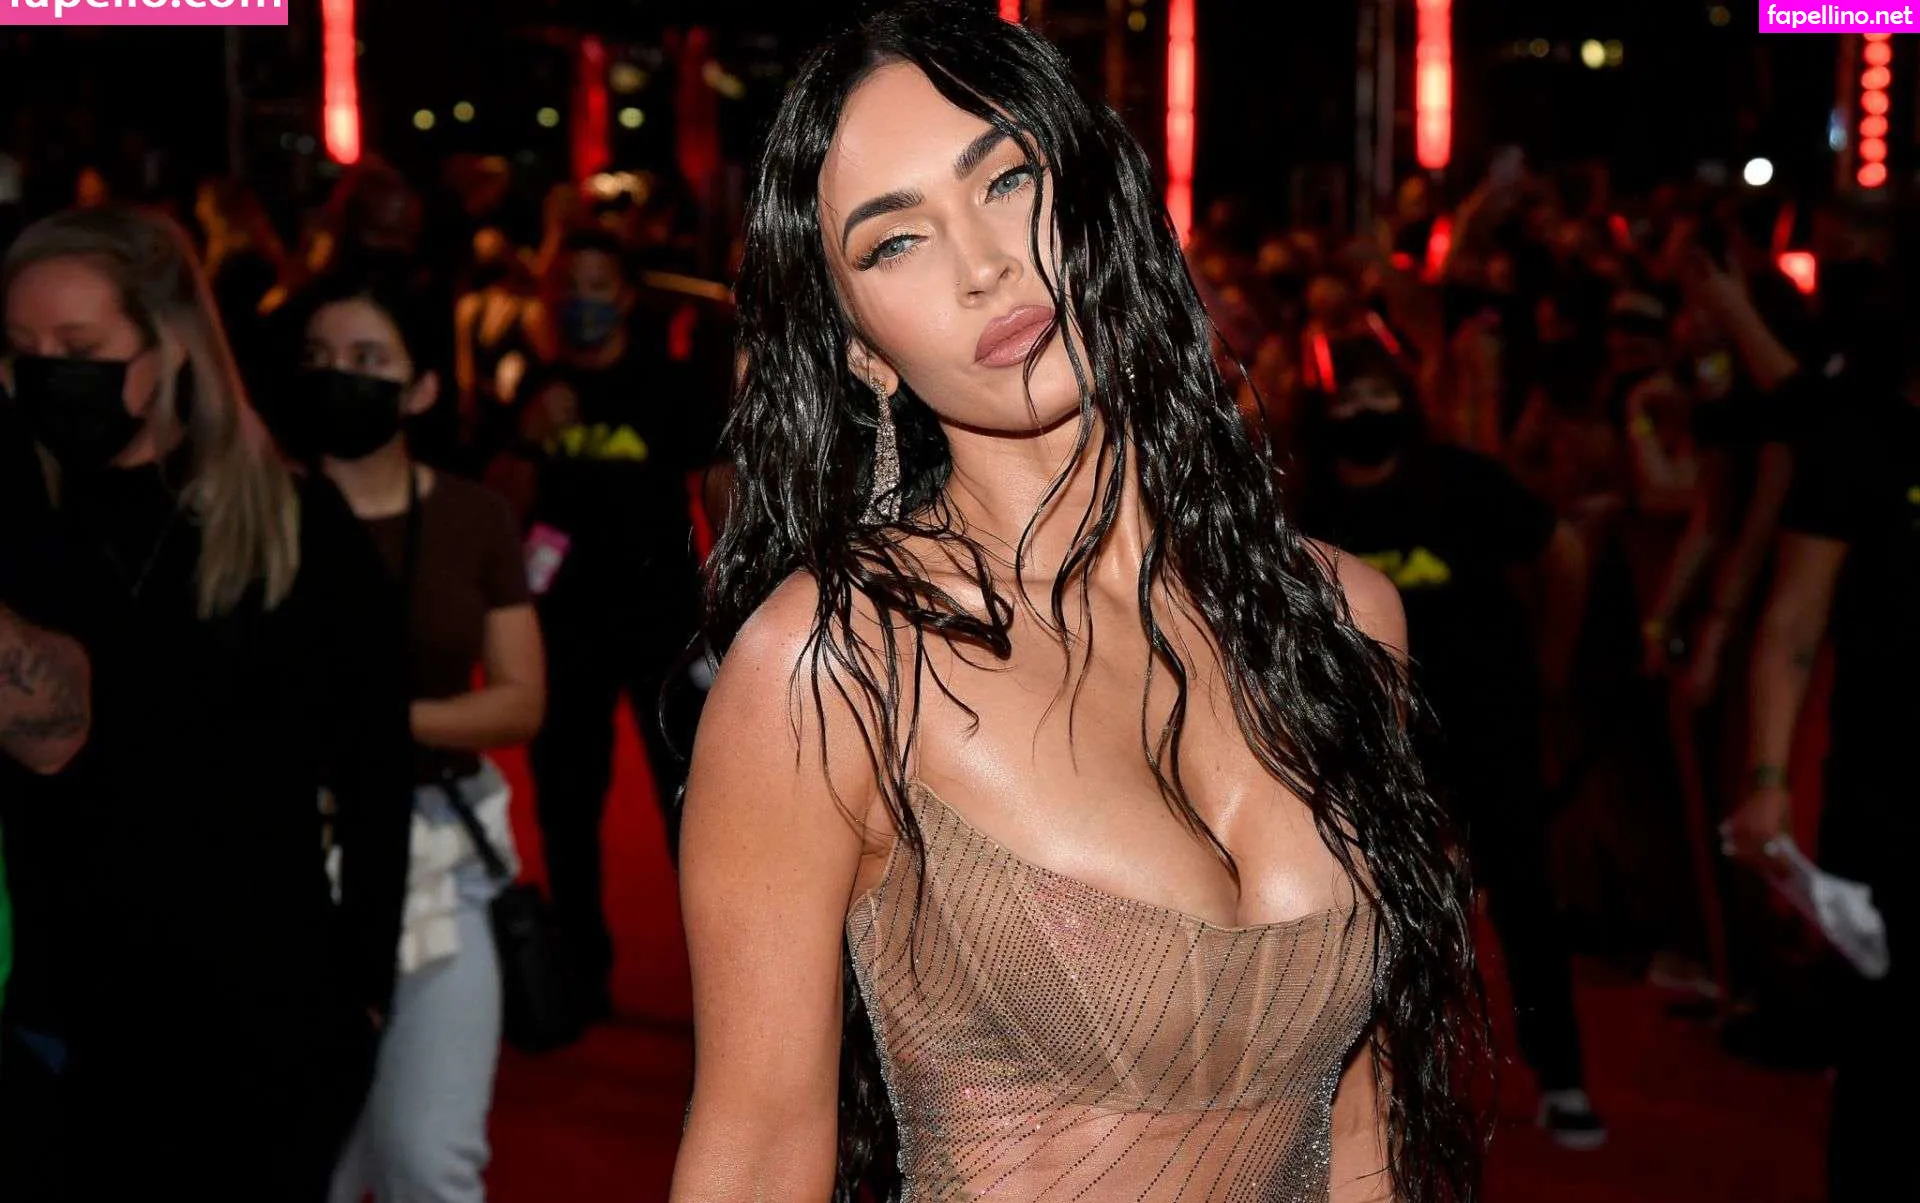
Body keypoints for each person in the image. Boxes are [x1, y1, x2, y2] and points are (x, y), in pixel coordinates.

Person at [670, 6, 1485, 1202]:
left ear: (1103, 198)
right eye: (896, 243)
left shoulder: (1343, 619)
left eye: (1008, 180)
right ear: (863, 351)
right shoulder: (832, 665)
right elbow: (755, 1156)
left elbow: (1364, 1120)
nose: (983, 264)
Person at [0, 205, 412, 1202]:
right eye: (22, 352)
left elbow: (376, 774)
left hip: (267, 1016)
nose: (47, 375)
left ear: (168, 346)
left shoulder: (296, 529)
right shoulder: (22, 529)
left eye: (79, 349)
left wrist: (363, 991)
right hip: (69, 1025)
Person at [264, 273, 545, 1203]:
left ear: (421, 387)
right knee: (312, 1157)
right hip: (285, 856)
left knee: (429, 1155)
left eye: (366, 358)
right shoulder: (249, 514)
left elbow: (519, 702)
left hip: (437, 854)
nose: (337, 375)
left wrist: (370, 725)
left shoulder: (473, 517)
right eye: (318, 357)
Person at [1290, 337, 1603, 1150]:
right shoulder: (1303, 501)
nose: (1364, 412)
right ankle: (1394, 1088)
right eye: (1347, 399)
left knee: (1525, 895)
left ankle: (1562, 1075)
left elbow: (1566, 553)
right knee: (1381, 910)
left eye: (1377, 395)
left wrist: (1553, 670)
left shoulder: (1463, 480)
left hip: (1489, 722)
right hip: (1372, 744)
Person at [1727, 307, 1919, 1203]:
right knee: (1884, 1058)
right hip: (1889, 798)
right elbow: (1793, 625)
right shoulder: (1861, 440)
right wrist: (1768, 779)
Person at [520, 228, 717, 1019]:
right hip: (561, 631)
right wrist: (526, 436)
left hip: (661, 624)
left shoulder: (667, 385)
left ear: (626, 297)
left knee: (693, 807)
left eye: (598, 285)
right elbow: (494, 507)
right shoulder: (530, 385)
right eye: (569, 284)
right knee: (566, 804)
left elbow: (720, 485)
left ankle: (723, 980)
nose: (582, 300)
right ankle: (580, 967)